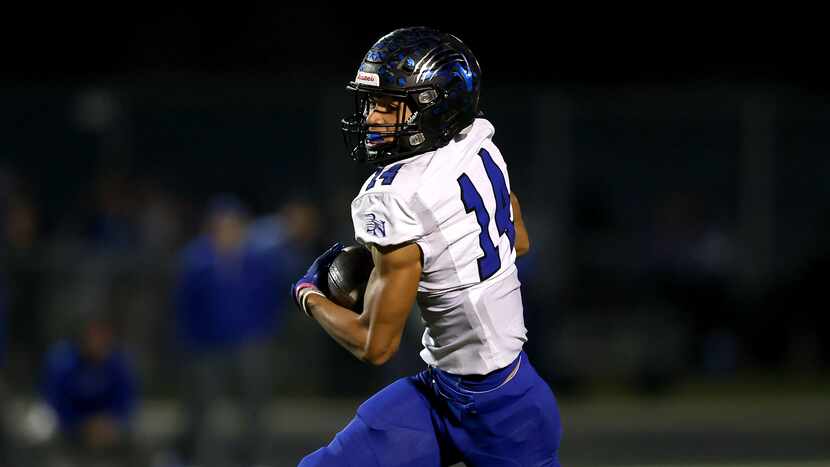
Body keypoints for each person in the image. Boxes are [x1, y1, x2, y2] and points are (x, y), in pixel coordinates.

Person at [291, 27, 562, 466]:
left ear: (433, 107)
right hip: (447, 393)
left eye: (386, 106)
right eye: (371, 104)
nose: (372, 118)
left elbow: (375, 345)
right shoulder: (477, 144)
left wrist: (309, 295)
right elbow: (520, 241)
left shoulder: (395, 195)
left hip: (502, 414)